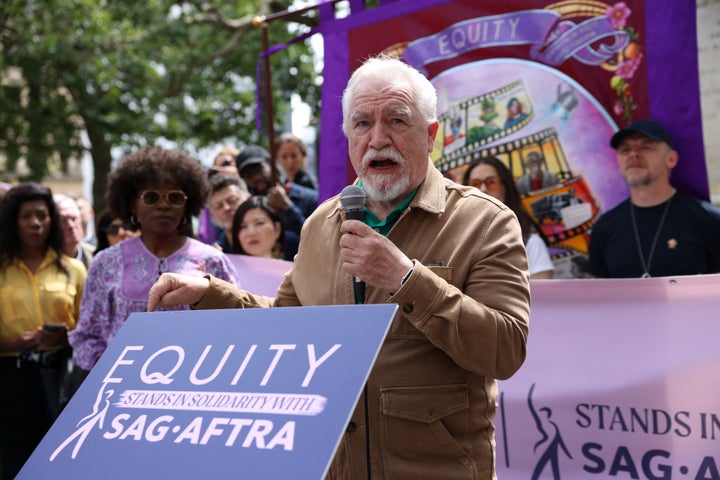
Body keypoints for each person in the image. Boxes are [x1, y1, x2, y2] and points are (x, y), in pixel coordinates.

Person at [148, 55, 530, 479]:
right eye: (362, 123)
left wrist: (407, 281)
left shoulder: (485, 221)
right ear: (348, 136)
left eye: (397, 121)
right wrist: (209, 292)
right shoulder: (321, 224)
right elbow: (287, 324)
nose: (378, 137)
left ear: (431, 135)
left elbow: (506, 350)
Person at [68, 147, 238, 377]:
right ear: (131, 204)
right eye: (151, 197)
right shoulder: (105, 262)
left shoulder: (213, 261)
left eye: (175, 197)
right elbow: (87, 334)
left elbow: (234, 328)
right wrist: (111, 371)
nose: (164, 205)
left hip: (195, 384)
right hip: (118, 387)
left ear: (188, 205)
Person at [0, 182, 86, 480]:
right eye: (26, 216)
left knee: (61, 460)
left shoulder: (74, 269)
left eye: (42, 215)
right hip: (10, 379)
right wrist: (15, 341)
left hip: (62, 376)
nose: (35, 223)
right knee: (14, 462)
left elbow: (88, 329)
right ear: (12, 220)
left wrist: (66, 336)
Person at [589, 118, 720, 278]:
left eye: (646, 147)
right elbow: (600, 297)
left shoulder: (708, 220)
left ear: (671, 159)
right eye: (625, 149)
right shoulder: (603, 228)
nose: (633, 154)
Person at [463, 156, 554, 279]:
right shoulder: (456, 241)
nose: (483, 189)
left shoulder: (531, 244)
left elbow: (541, 295)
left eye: (491, 182)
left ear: (505, 187)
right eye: (475, 184)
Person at [236, 145, 318, 232]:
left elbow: (318, 238)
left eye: (258, 169)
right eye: (248, 175)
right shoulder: (248, 210)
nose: (255, 178)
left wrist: (287, 207)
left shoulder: (311, 199)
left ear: (272, 165)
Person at [198, 146, 241, 245]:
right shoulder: (209, 205)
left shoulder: (256, 189)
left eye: (226, 163)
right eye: (216, 169)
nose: (222, 170)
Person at [230, 196, 295, 260]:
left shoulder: (296, 266)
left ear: (277, 229)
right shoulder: (228, 269)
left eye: (259, 223)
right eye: (243, 227)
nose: (251, 232)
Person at [206, 174, 251, 252]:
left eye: (232, 200)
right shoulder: (215, 254)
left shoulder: (274, 239)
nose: (226, 208)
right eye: (219, 206)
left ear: (249, 199)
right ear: (212, 214)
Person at [54, 194, 95, 268]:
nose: (71, 225)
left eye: (73, 219)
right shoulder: (42, 261)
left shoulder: (95, 256)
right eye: (63, 221)